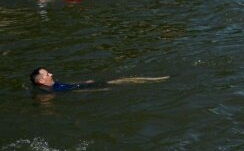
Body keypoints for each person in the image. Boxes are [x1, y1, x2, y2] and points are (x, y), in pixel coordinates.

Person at [30, 68, 168, 93]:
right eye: (48, 74)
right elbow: (74, 92)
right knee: (121, 81)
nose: (51, 74)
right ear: (41, 81)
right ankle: (154, 79)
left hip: (86, 86)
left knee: (121, 81)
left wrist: (84, 82)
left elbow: (70, 85)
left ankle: (153, 79)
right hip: (88, 89)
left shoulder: (53, 85)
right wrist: (92, 89)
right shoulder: (48, 92)